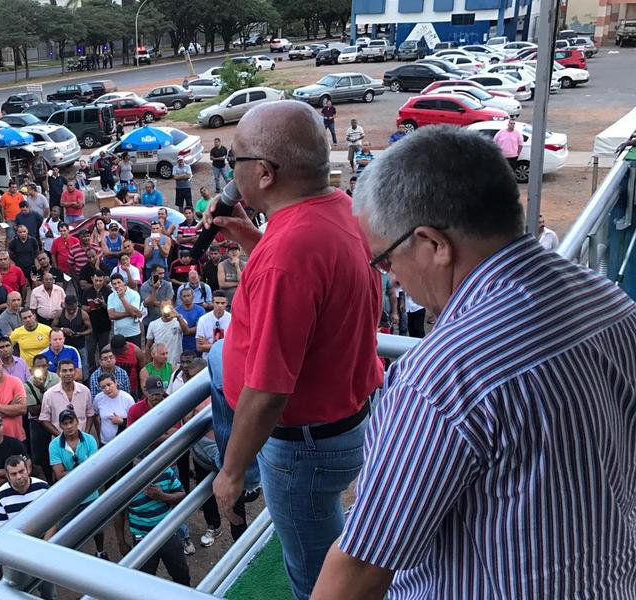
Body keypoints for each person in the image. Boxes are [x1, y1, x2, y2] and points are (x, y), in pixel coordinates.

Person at [314, 126, 636, 598]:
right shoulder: (604, 299)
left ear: (433, 244)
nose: (394, 279)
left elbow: (362, 564)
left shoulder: (444, 375)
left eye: (384, 260)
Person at [204, 101, 381, 599]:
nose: (229, 172)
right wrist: (254, 242)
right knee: (328, 533)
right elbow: (312, 289)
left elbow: (268, 390)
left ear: (262, 173)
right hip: (340, 421)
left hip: (303, 445)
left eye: (234, 161)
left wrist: (232, 472)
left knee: (312, 576)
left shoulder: (287, 256)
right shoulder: (338, 209)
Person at [48, 409, 106, 558]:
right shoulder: (54, 445)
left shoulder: (90, 440)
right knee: (67, 529)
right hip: (68, 497)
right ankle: (72, 558)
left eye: (71, 422)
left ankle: (100, 552)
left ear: (77, 422)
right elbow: (59, 474)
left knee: (98, 527)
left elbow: (95, 468)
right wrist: (84, 471)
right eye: (64, 423)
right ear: (60, 425)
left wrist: (76, 473)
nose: (68, 426)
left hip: (90, 493)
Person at [128, 465, 190, 584]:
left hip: (168, 533)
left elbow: (181, 494)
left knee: (182, 575)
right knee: (145, 581)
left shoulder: (165, 471)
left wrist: (161, 496)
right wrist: (121, 542)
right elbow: (120, 513)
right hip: (142, 539)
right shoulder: (127, 480)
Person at [39, 360, 95, 436]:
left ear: (75, 372)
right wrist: (60, 437)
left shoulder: (85, 391)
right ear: (58, 373)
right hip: (59, 441)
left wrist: (85, 435)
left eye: (71, 370)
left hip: (82, 438)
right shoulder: (49, 394)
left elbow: (90, 414)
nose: (68, 373)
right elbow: (44, 419)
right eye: (64, 371)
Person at [107, 274, 143, 346]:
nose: (117, 286)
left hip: (133, 333)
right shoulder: (111, 296)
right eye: (114, 284)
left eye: (119, 282)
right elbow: (111, 315)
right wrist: (129, 313)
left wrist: (122, 298)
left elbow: (134, 313)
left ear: (123, 282)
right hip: (118, 334)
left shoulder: (134, 294)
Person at [195, 291, 230, 357]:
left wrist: (207, 344)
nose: (220, 305)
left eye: (222, 303)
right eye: (217, 303)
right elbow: (199, 347)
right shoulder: (203, 319)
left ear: (226, 304)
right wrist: (224, 346)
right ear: (212, 303)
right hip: (208, 359)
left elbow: (233, 345)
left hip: (226, 358)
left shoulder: (232, 320)